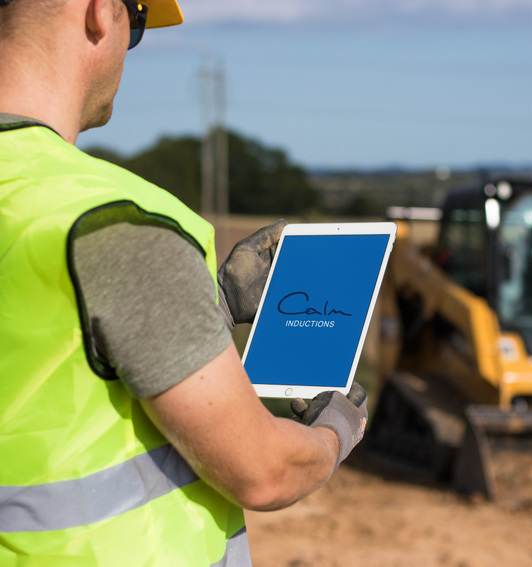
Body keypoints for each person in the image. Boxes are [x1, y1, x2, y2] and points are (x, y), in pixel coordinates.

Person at [0, 0, 369, 565]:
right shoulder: (109, 220)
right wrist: (336, 430)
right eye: (139, 22)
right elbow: (263, 470)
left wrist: (203, 308)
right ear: (100, 12)